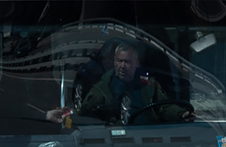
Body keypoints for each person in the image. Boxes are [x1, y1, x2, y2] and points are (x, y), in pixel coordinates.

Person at [57, 41, 193, 126]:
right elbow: (84, 115)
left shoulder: (148, 85)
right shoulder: (102, 89)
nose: (122, 66)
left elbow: (164, 107)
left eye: (127, 62)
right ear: (114, 62)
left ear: (137, 63)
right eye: (119, 61)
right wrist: (67, 117)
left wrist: (181, 114)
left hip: (150, 136)